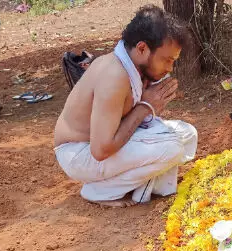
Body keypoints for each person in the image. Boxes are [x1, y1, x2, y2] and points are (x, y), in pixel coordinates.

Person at [53, 5, 198, 207]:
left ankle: (145, 188)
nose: (169, 68)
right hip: (80, 154)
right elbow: (101, 150)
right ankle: (100, 191)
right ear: (141, 48)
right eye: (167, 60)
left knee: (187, 133)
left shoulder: (134, 67)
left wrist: (149, 104)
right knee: (171, 147)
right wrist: (146, 106)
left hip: (101, 148)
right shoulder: (114, 76)